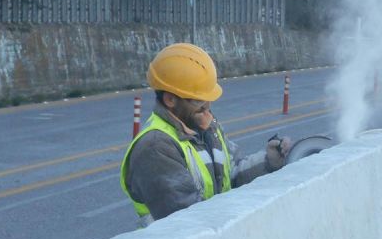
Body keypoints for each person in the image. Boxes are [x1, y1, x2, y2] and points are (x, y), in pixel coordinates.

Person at [121, 43, 291, 226]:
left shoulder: (205, 127)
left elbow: (232, 174)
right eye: (199, 99)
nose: (207, 106)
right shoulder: (155, 148)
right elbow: (187, 219)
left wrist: (269, 161)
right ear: (170, 99)